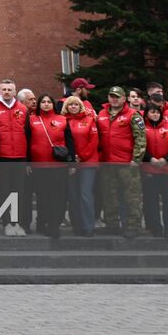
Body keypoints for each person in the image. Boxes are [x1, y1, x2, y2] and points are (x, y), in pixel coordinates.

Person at [97, 86, 146, 239]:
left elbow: (141, 138)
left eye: (117, 96)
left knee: (132, 196)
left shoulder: (134, 115)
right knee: (109, 195)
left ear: (124, 99)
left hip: (127, 163)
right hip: (107, 163)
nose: (114, 99)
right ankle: (112, 224)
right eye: (111, 96)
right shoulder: (101, 114)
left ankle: (133, 226)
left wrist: (136, 159)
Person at [27, 95, 72, 239]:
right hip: (38, 165)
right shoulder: (32, 119)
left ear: (53, 104)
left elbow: (70, 142)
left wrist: (71, 162)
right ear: (39, 104)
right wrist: (28, 162)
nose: (46, 104)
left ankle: (54, 225)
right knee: (42, 196)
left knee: (57, 196)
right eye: (43, 102)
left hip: (58, 165)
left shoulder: (62, 120)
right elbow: (27, 141)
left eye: (49, 102)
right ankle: (42, 222)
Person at [0, 79, 30, 236]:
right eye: (4, 89)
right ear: (0, 91)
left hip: (20, 157)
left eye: (10, 89)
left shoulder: (23, 109)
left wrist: (28, 159)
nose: (7, 92)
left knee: (19, 191)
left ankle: (17, 222)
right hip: (2, 157)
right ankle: (7, 223)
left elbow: (28, 134)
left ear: (15, 92)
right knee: (4, 191)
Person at [140, 104, 168, 238]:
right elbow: (140, 147)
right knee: (152, 201)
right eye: (152, 112)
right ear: (146, 114)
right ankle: (156, 227)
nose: (155, 114)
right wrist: (150, 159)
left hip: (167, 169)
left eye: (157, 112)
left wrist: (166, 159)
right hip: (150, 169)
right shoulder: (142, 128)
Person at [63, 95, 99, 237]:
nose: (73, 107)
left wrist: (81, 156)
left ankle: (88, 225)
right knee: (73, 194)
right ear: (66, 107)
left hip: (87, 162)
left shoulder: (89, 121)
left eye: (75, 105)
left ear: (80, 107)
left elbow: (94, 141)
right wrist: (71, 158)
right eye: (70, 105)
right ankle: (76, 225)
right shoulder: (63, 121)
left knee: (85, 194)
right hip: (71, 163)